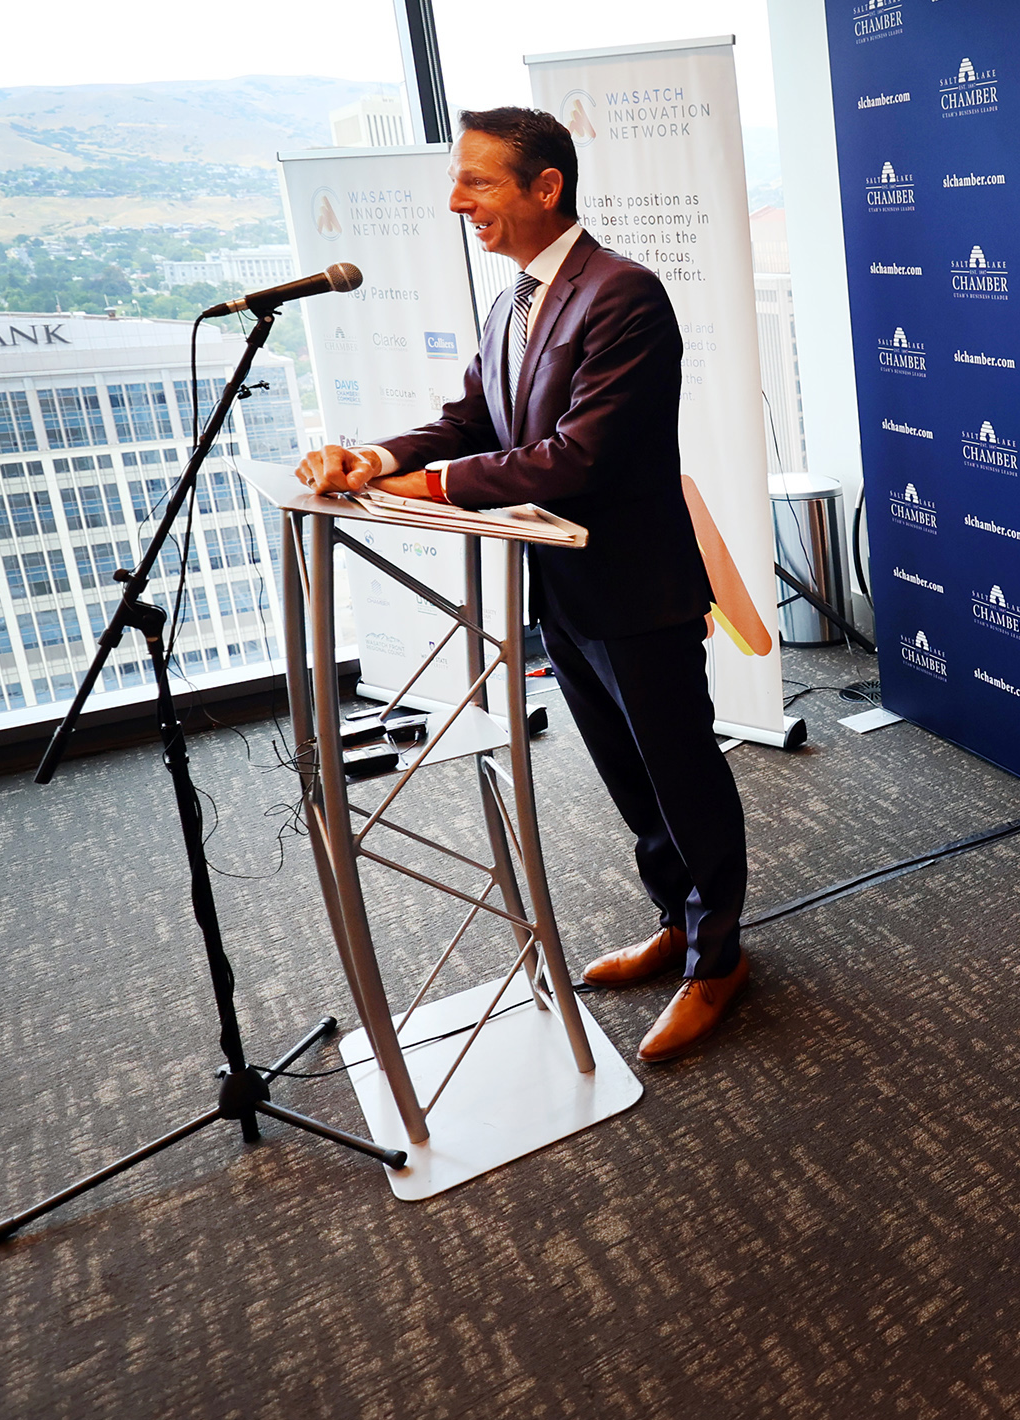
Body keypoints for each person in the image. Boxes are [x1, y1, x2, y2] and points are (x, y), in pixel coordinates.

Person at [294, 106, 752, 1063]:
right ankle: (676, 919)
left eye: (480, 183)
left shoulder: (625, 294)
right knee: (631, 779)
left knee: (682, 773)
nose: (458, 201)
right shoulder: (510, 303)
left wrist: (426, 484)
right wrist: (371, 457)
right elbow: (471, 422)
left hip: (639, 590)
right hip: (562, 595)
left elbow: (571, 458)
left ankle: (718, 963)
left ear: (547, 188)